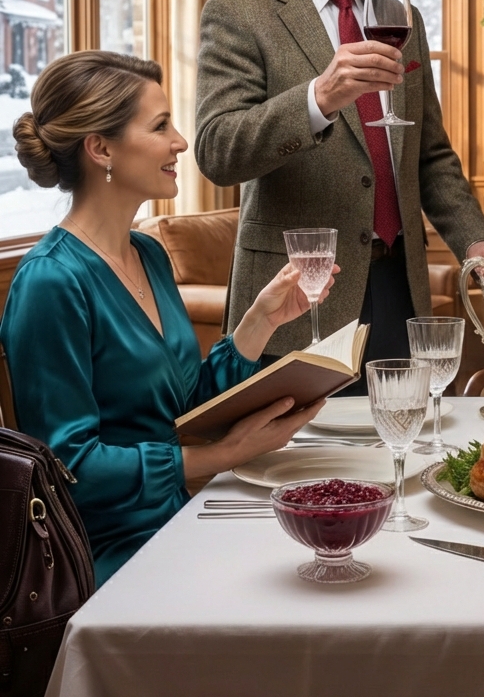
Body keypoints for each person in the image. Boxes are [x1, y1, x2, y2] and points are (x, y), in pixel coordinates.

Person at [0, 52, 332, 585]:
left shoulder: (148, 254)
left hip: (182, 516)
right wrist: (226, 454)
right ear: (100, 148)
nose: (181, 141)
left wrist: (258, 322)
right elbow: (69, 470)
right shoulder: (50, 282)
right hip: (108, 552)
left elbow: (182, 410)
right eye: (160, 126)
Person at [194, 0, 484, 391]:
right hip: (299, 294)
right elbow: (218, 150)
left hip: (398, 286)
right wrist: (318, 99)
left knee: (402, 452)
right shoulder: (239, 14)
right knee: (299, 469)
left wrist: (474, 240)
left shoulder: (397, 15)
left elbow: (429, 154)